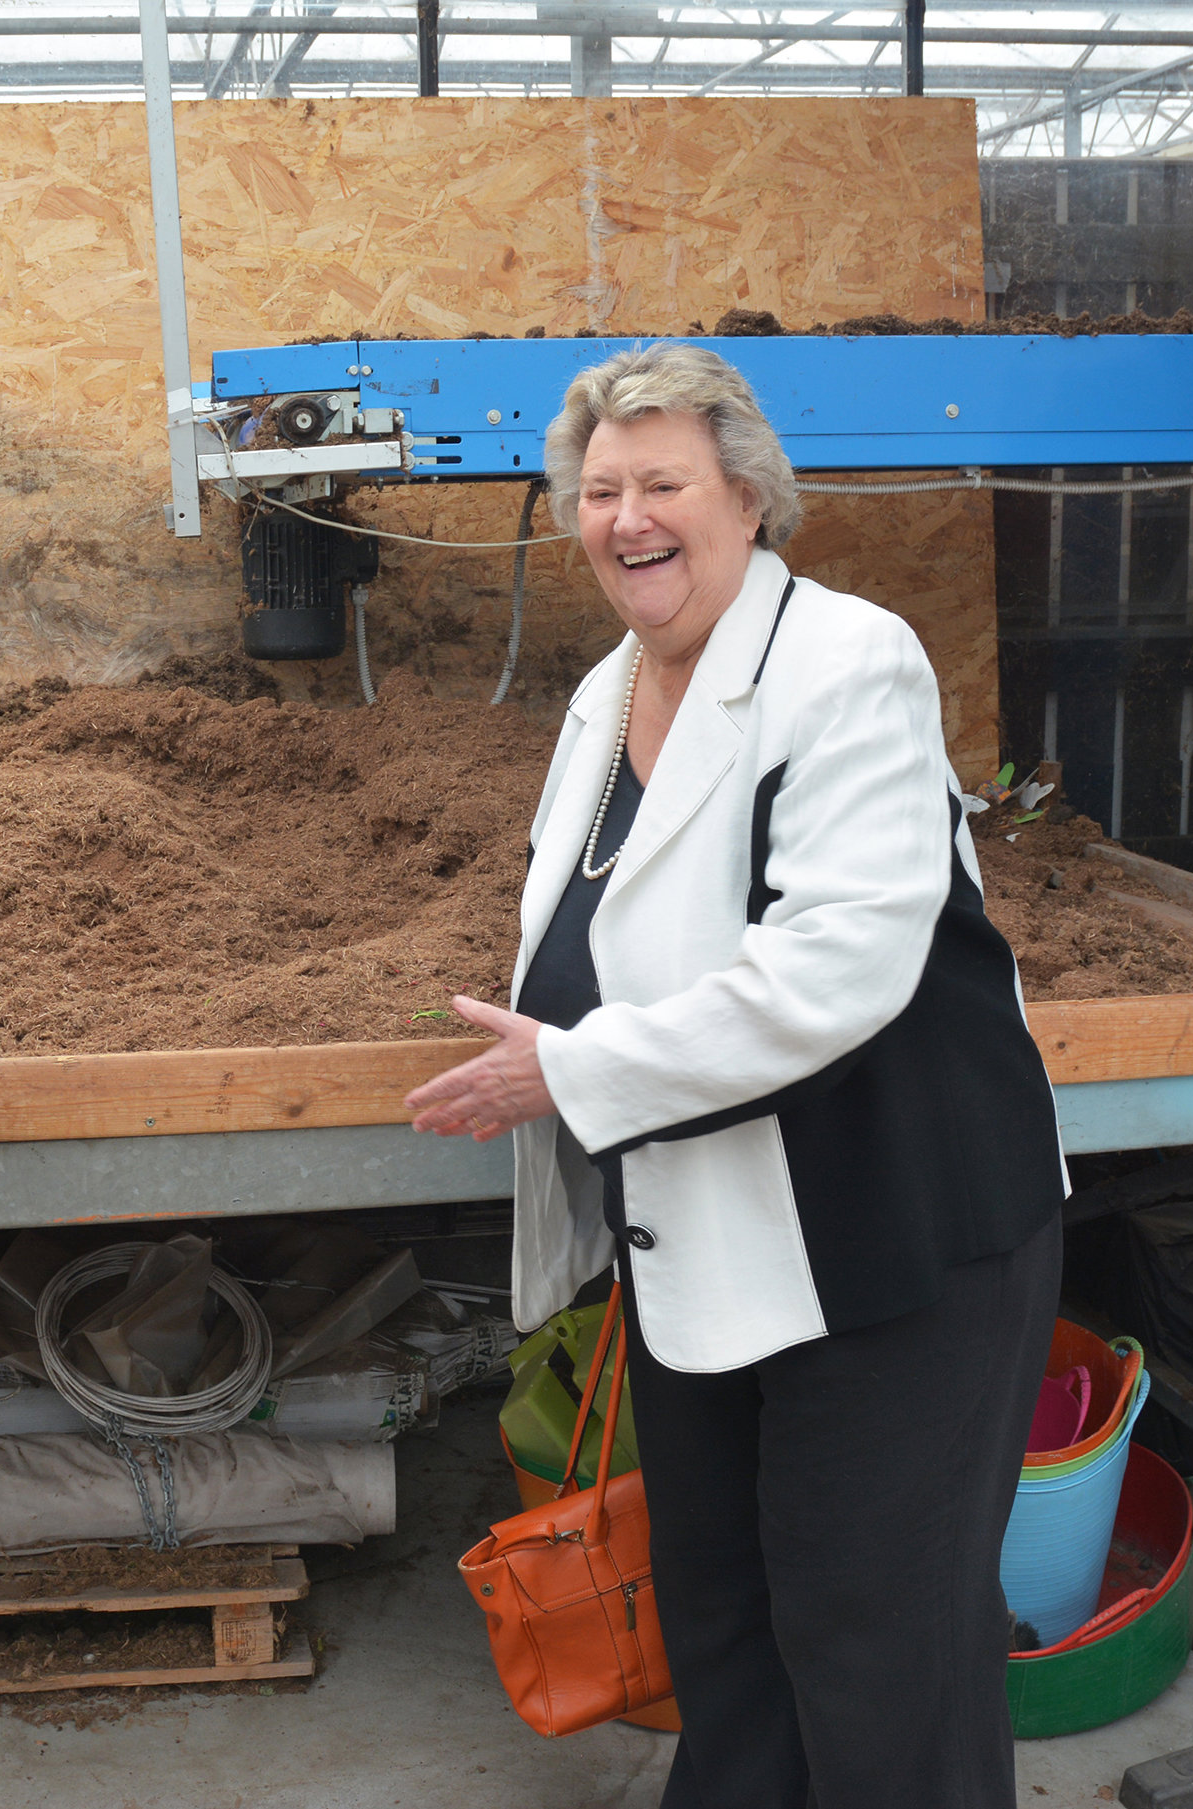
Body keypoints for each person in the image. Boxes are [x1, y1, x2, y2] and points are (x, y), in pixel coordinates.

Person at [405, 344, 1065, 1808]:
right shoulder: (606, 692)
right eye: (598, 490)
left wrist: (570, 1072)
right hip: (705, 1234)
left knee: (875, 1642)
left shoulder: (848, 661)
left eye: (662, 483)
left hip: (892, 1233)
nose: (627, 516)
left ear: (747, 500)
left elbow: (835, 968)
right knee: (720, 1621)